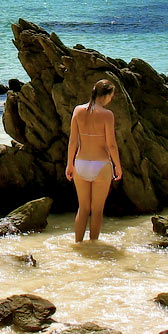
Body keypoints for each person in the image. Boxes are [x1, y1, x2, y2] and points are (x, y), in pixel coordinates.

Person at [65, 78, 122, 242]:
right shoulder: (107, 115)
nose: (111, 99)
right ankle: (93, 245)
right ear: (105, 95)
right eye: (111, 96)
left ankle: (78, 245)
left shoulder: (78, 110)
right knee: (97, 210)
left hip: (80, 164)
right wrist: (118, 166)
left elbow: (73, 141)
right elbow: (111, 145)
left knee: (83, 209)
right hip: (102, 165)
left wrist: (69, 164)